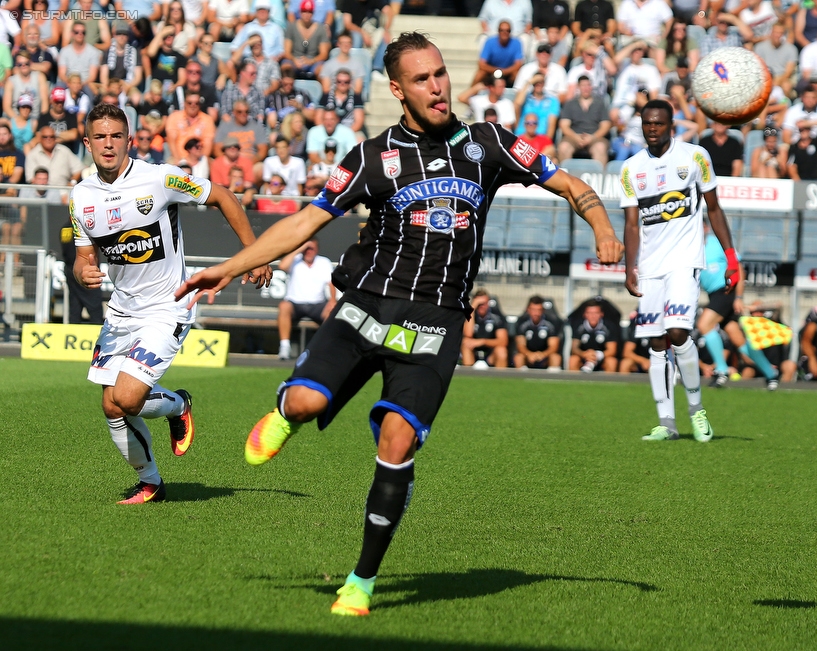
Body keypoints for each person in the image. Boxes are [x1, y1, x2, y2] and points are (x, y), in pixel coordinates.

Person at [174, 31, 624, 616]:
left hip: (437, 322)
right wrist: (230, 267)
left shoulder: (488, 143)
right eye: (422, 79)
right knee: (309, 404)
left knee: (398, 440)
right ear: (397, 90)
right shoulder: (370, 156)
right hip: (368, 307)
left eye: (440, 73)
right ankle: (287, 411)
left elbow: (570, 183)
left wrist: (603, 228)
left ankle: (361, 580)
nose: (437, 87)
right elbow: (303, 225)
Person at [69, 102, 272, 505]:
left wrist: (256, 253)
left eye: (116, 136)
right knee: (111, 406)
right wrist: (83, 273)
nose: (108, 145)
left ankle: (178, 404)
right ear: (87, 142)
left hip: (168, 306)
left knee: (127, 398)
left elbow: (225, 197)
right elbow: (83, 258)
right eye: (100, 137)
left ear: (129, 139)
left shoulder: (160, 179)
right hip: (122, 312)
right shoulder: (81, 197)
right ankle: (151, 484)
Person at [620, 98, 740, 442]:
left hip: (685, 261)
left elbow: (714, 209)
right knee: (656, 343)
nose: (652, 129)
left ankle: (697, 411)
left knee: (676, 331)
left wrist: (731, 257)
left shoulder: (695, 157)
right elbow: (631, 224)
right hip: (651, 266)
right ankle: (667, 423)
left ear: (671, 125)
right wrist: (631, 266)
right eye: (647, 123)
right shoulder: (630, 168)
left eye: (658, 123)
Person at [697, 225, 780, 390]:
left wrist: (739, 297)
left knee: (703, 325)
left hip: (726, 291)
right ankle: (771, 373)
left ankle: (721, 370)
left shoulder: (718, 243)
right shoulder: (690, 249)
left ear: (706, 228)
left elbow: (739, 269)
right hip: (714, 294)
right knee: (740, 341)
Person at [277, 237, 336, 360]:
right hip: (295, 304)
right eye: (306, 248)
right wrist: (300, 248)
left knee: (333, 310)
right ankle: (284, 347)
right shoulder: (295, 260)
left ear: (317, 249)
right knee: (283, 306)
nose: (309, 251)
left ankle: (321, 348)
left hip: (317, 304)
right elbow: (282, 266)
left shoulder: (324, 262)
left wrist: (333, 300)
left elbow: (331, 283)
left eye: (311, 248)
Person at [557, 75, 611, 166]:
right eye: (583, 85)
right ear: (578, 87)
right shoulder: (570, 103)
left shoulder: (600, 103)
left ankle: (599, 177)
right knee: (563, 147)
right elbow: (564, 125)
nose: (586, 88)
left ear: (591, 87)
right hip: (573, 136)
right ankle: (564, 177)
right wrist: (575, 137)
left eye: (588, 85)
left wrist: (592, 137)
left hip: (595, 137)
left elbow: (606, 125)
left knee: (600, 148)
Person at [461, 289, 510, 368]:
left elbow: (503, 341)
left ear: (488, 303)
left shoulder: (497, 317)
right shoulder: (470, 315)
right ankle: (469, 376)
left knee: (501, 351)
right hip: (473, 352)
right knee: (465, 343)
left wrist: (482, 342)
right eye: (479, 304)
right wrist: (472, 309)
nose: (482, 306)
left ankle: (500, 378)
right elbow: (468, 334)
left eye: (484, 303)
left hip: (490, 354)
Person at [569, 299, 618, 372]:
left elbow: (612, 350)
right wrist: (584, 354)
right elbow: (574, 348)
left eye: (596, 313)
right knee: (573, 360)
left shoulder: (609, 327)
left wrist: (597, 355)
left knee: (611, 361)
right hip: (584, 357)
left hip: (602, 357)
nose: (593, 316)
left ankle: (608, 383)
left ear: (601, 314)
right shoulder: (579, 326)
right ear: (585, 314)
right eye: (590, 313)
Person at [513, 295, 560, 370]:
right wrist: (529, 354)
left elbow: (554, 346)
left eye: (539, 310)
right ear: (528, 310)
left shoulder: (552, 322)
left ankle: (552, 380)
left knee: (555, 357)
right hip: (528, 355)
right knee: (518, 357)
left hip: (545, 356)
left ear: (543, 310)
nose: (536, 313)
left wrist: (543, 354)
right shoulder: (521, 322)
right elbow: (520, 345)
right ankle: (522, 379)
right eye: (533, 310)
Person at [472, 20, 524, 87]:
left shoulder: (517, 43)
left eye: (507, 30)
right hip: (491, 72)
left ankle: (521, 95)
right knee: (480, 74)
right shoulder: (489, 42)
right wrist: (497, 71)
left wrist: (504, 72)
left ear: (510, 32)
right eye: (501, 30)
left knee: (517, 75)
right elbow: (481, 64)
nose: (504, 33)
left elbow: (518, 64)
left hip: (509, 73)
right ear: (498, 31)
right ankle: (471, 94)